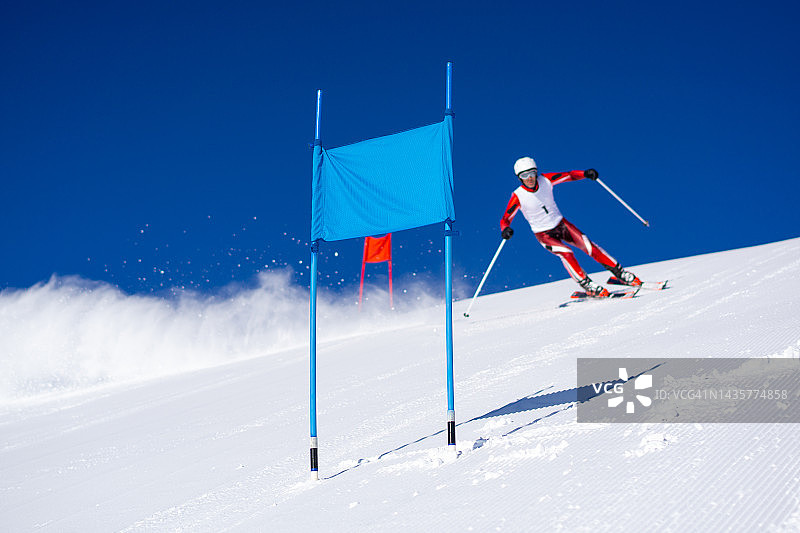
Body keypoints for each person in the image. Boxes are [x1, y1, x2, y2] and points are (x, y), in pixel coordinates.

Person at [500, 156, 641, 297]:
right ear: (519, 178)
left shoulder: (545, 180)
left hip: (561, 224)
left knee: (588, 246)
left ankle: (621, 274)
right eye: (525, 175)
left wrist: (585, 174)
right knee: (566, 253)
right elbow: (505, 218)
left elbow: (569, 175)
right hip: (544, 234)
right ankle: (587, 284)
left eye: (532, 173)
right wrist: (505, 229)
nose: (530, 178)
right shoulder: (518, 196)